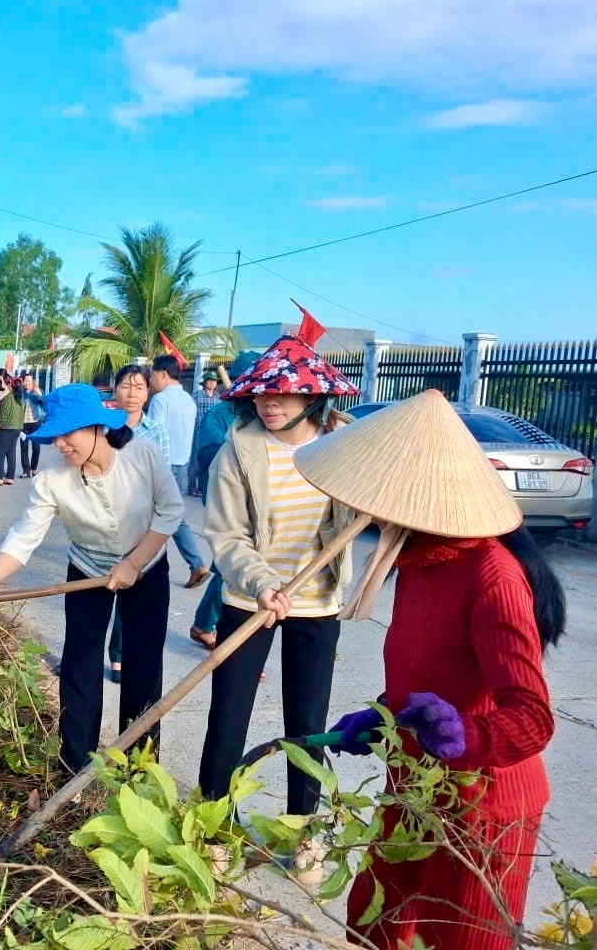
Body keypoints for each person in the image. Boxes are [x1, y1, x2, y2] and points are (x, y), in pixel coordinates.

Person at [298, 390, 563, 950]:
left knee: (459, 939)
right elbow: (428, 673)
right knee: (374, 929)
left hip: (483, 806)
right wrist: (382, 715)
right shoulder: (417, 559)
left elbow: (533, 719)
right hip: (415, 787)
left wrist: (463, 733)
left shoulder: (493, 577)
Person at [0, 384, 184, 774]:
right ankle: (73, 766)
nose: (61, 444)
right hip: (87, 571)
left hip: (147, 567)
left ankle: (139, 768)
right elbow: (23, 538)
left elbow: (169, 512)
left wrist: (133, 563)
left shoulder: (141, 455)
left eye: (70, 433)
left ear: (98, 426)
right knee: (80, 663)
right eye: (56, 436)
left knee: (142, 666)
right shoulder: (52, 481)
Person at [198, 333, 360, 834]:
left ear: (313, 398)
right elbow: (226, 535)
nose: (269, 402)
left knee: (308, 724)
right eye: (262, 393)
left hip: (317, 601)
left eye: (283, 393)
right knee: (229, 716)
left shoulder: (343, 446)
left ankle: (304, 829)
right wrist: (263, 583)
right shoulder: (239, 452)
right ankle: (217, 824)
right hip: (249, 598)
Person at [186, 352, 259, 649]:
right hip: (224, 497)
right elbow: (207, 457)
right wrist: (240, 453)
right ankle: (230, 640)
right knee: (233, 561)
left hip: (258, 500)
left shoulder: (263, 416)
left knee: (235, 563)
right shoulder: (220, 416)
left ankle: (205, 624)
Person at [103, 363, 169, 684]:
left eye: (139, 387)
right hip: (103, 523)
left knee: (130, 587)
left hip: (141, 524)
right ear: (115, 389)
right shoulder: (102, 427)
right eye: (126, 386)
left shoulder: (156, 431)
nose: (132, 394)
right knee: (102, 590)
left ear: (148, 392)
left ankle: (118, 654)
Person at [148, 355, 211, 589]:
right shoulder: (188, 400)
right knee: (174, 516)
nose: (150, 380)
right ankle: (196, 564)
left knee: (158, 517)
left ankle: (190, 564)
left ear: (163, 374)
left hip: (163, 464)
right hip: (182, 464)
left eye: (152, 375)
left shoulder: (160, 400)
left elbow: (154, 435)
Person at [189, 373, 223, 497]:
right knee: (196, 458)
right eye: (209, 380)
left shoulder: (218, 398)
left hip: (212, 432)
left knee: (209, 458)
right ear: (204, 383)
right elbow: (190, 410)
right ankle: (192, 487)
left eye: (214, 381)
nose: (212, 383)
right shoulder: (198, 395)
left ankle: (204, 487)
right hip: (199, 430)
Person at [0, 378, 26, 485]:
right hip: (17, 429)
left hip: (6, 429)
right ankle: (10, 477)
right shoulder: (21, 399)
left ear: (10, 385)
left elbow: (4, 415)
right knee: (11, 453)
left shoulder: (9, 398)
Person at [19, 374, 47, 478]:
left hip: (36, 423)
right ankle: (26, 471)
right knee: (24, 448)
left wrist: (40, 395)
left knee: (36, 447)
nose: (27, 383)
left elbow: (45, 403)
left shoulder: (38, 391)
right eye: (25, 381)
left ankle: (34, 468)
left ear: (33, 381)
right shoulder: (20, 393)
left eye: (29, 381)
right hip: (23, 424)